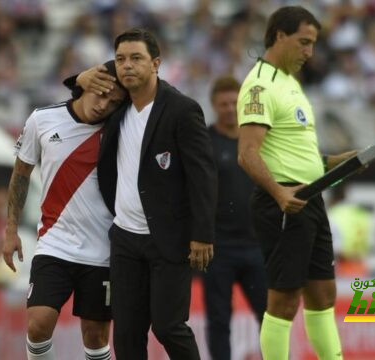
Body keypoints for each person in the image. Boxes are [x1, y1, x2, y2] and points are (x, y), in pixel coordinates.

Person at [77, 28, 217, 359]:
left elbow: (203, 177)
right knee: (126, 335)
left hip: (167, 237)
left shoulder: (182, 110)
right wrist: (82, 77)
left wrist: (202, 235)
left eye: (136, 58)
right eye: (121, 59)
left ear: (156, 63)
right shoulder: (116, 106)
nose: (127, 66)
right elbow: (78, 98)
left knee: (168, 327)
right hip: (125, 238)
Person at [237, 6, 356, 359]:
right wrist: (278, 193)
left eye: (313, 44)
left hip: (310, 198)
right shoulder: (260, 85)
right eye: (304, 43)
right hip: (285, 201)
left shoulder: (290, 83)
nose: (310, 53)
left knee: (322, 295)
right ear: (278, 36)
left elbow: (296, 156)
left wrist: (339, 163)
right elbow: (247, 153)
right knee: (284, 301)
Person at [2, 60, 127, 360]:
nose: (104, 106)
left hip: (103, 248)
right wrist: (10, 229)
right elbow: (21, 174)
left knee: (96, 336)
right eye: (101, 94)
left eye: (113, 102)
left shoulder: (120, 128)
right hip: (54, 244)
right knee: (38, 324)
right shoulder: (42, 120)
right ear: (86, 86)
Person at [202, 76, 267, 360]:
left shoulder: (257, 140)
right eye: (223, 103)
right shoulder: (204, 142)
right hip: (219, 247)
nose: (229, 108)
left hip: (257, 245)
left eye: (234, 102)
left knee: (271, 317)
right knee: (218, 320)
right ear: (214, 105)